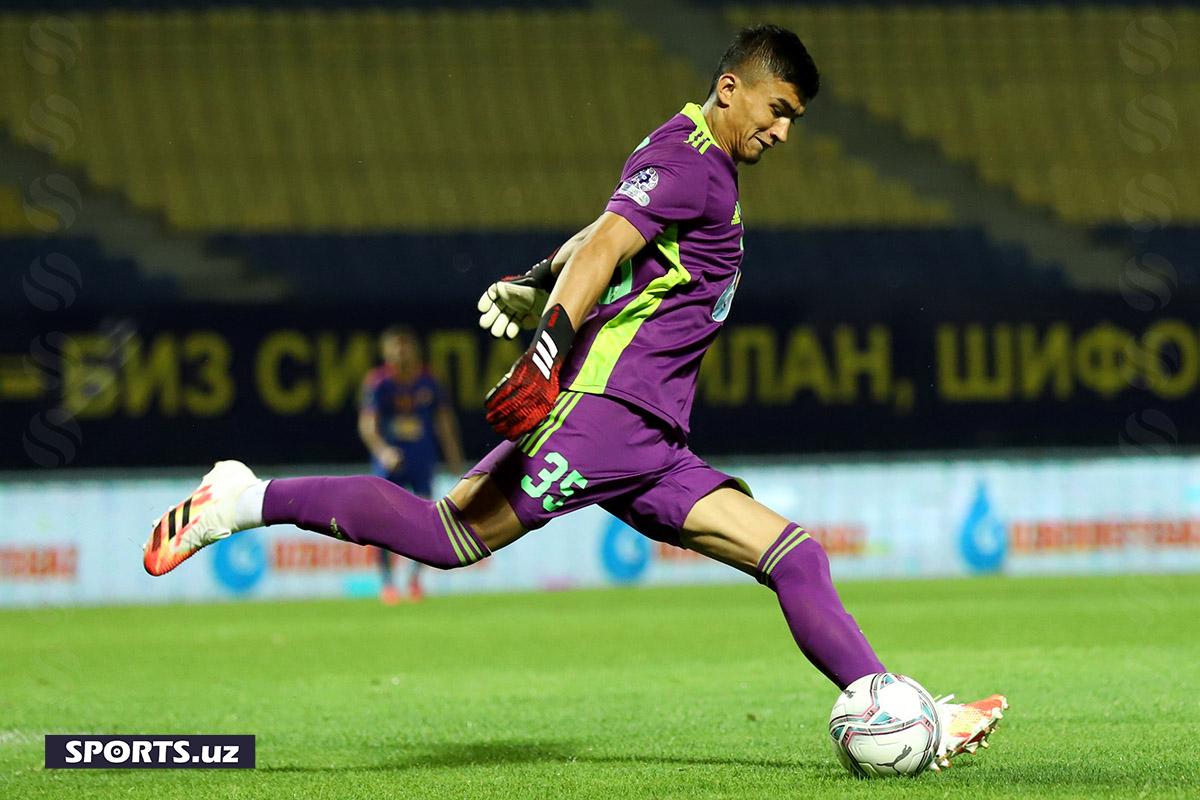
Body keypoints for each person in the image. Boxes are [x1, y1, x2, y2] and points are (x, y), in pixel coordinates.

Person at [142, 24, 1005, 771]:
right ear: (731, 87)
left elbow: (601, 233)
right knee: (449, 536)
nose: (782, 129)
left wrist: (533, 277)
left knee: (796, 558)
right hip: (603, 414)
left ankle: (909, 716)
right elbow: (606, 251)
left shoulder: (683, 151)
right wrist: (548, 344)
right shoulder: (692, 162)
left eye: (795, 120)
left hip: (650, 439)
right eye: (775, 108)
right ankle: (243, 498)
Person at [358, 326, 465, 603]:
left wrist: (453, 457)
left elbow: (444, 421)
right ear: (386, 351)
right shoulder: (378, 382)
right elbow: (368, 425)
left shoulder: (429, 382)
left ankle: (415, 580)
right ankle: (387, 583)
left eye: (405, 346)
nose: (400, 352)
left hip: (421, 459)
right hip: (391, 462)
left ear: (414, 350)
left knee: (425, 520)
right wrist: (382, 451)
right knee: (382, 522)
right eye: (395, 346)